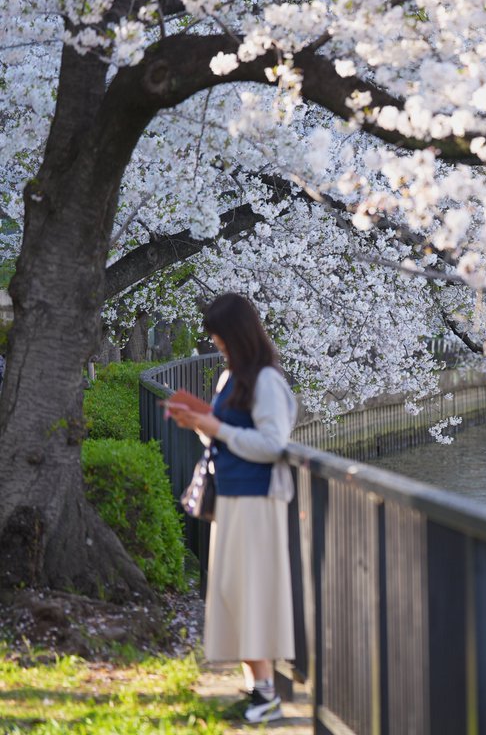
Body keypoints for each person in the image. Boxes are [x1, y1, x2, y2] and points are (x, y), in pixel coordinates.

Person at [167, 293, 297, 724]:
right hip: (232, 497)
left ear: (237, 335)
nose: (216, 344)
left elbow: (273, 443)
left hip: (257, 500)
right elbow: (222, 436)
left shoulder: (265, 382)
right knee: (232, 591)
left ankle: (266, 692)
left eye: (221, 338)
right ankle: (256, 688)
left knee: (250, 593)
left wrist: (214, 425)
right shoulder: (231, 378)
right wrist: (201, 424)